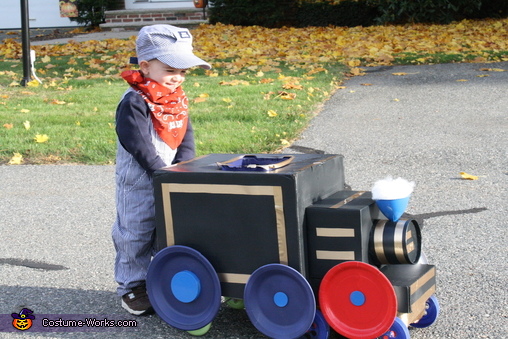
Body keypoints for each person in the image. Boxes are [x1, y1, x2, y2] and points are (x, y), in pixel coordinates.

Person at [111, 24, 211, 315]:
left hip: (168, 178)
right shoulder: (134, 101)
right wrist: (161, 172)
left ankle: (161, 277)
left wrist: (186, 166)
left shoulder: (176, 100)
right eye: (170, 70)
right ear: (145, 66)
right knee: (136, 233)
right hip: (139, 183)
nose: (177, 77)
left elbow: (184, 135)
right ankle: (133, 286)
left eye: (183, 72)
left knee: (166, 231)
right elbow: (138, 144)